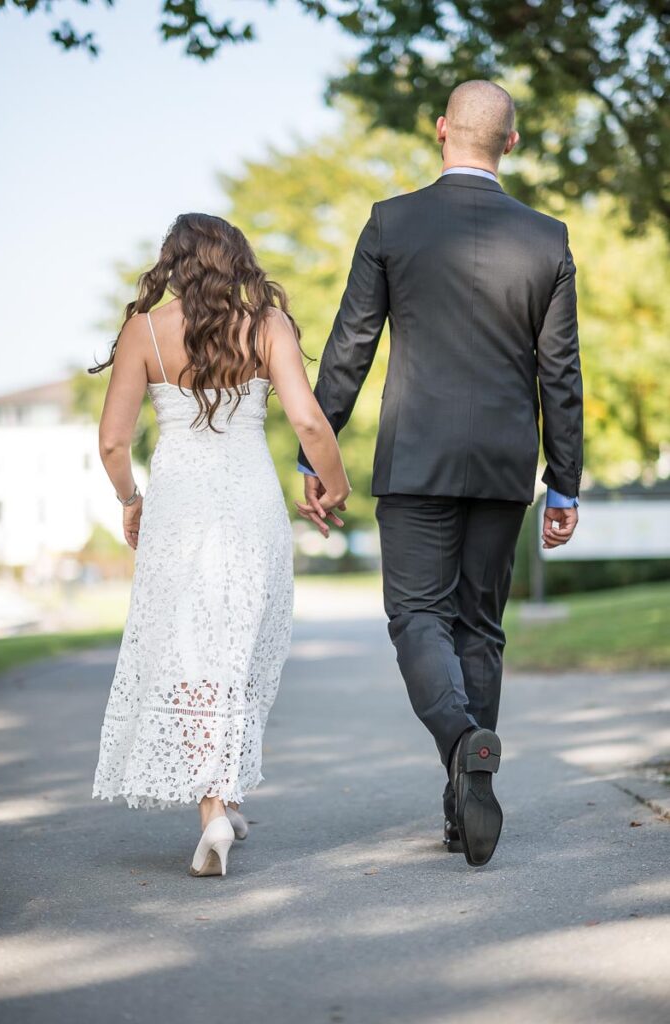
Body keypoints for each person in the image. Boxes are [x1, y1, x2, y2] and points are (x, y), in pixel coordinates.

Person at [297, 80, 583, 867]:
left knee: (416, 617)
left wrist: (313, 457)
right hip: (500, 462)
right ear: (511, 143)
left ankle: (462, 743)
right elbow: (559, 372)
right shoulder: (546, 237)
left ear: (438, 131)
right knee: (478, 628)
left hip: (415, 456)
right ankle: (464, 801)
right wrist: (564, 482)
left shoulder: (392, 222)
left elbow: (349, 346)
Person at [91, 213, 350, 877]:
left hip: (177, 507)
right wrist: (335, 482)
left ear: (172, 264)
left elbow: (115, 443)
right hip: (249, 504)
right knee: (239, 646)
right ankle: (215, 806)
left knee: (192, 648)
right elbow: (306, 419)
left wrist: (130, 501)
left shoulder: (144, 331)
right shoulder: (267, 325)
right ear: (236, 258)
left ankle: (221, 802)